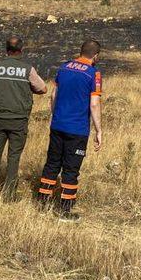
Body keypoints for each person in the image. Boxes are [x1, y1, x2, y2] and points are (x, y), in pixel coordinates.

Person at [38, 38, 102, 221]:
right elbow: (95, 104)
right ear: (95, 56)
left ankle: (43, 203)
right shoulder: (93, 74)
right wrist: (99, 130)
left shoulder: (64, 67)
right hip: (77, 129)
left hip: (57, 125)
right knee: (71, 169)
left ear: (80, 51)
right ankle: (65, 210)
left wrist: (55, 115)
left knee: (52, 163)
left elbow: (53, 96)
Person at [0, 35, 47, 200]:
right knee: (14, 156)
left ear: (6, 50)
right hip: (19, 120)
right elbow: (43, 89)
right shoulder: (27, 69)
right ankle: (9, 194)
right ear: (21, 50)